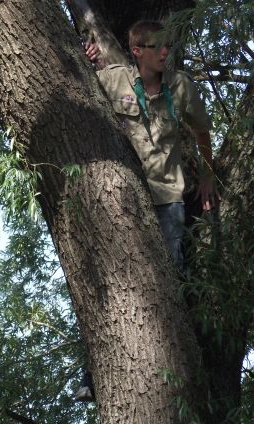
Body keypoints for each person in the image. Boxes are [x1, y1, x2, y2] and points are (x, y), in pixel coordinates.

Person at [75, 20, 218, 402]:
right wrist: (86, 60)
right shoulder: (116, 80)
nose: (164, 53)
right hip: (125, 195)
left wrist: (207, 174)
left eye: (167, 46)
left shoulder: (182, 87)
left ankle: (173, 362)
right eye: (156, 47)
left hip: (168, 196)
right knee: (109, 282)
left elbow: (203, 130)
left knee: (171, 272)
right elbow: (81, 92)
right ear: (137, 51)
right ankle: (93, 373)